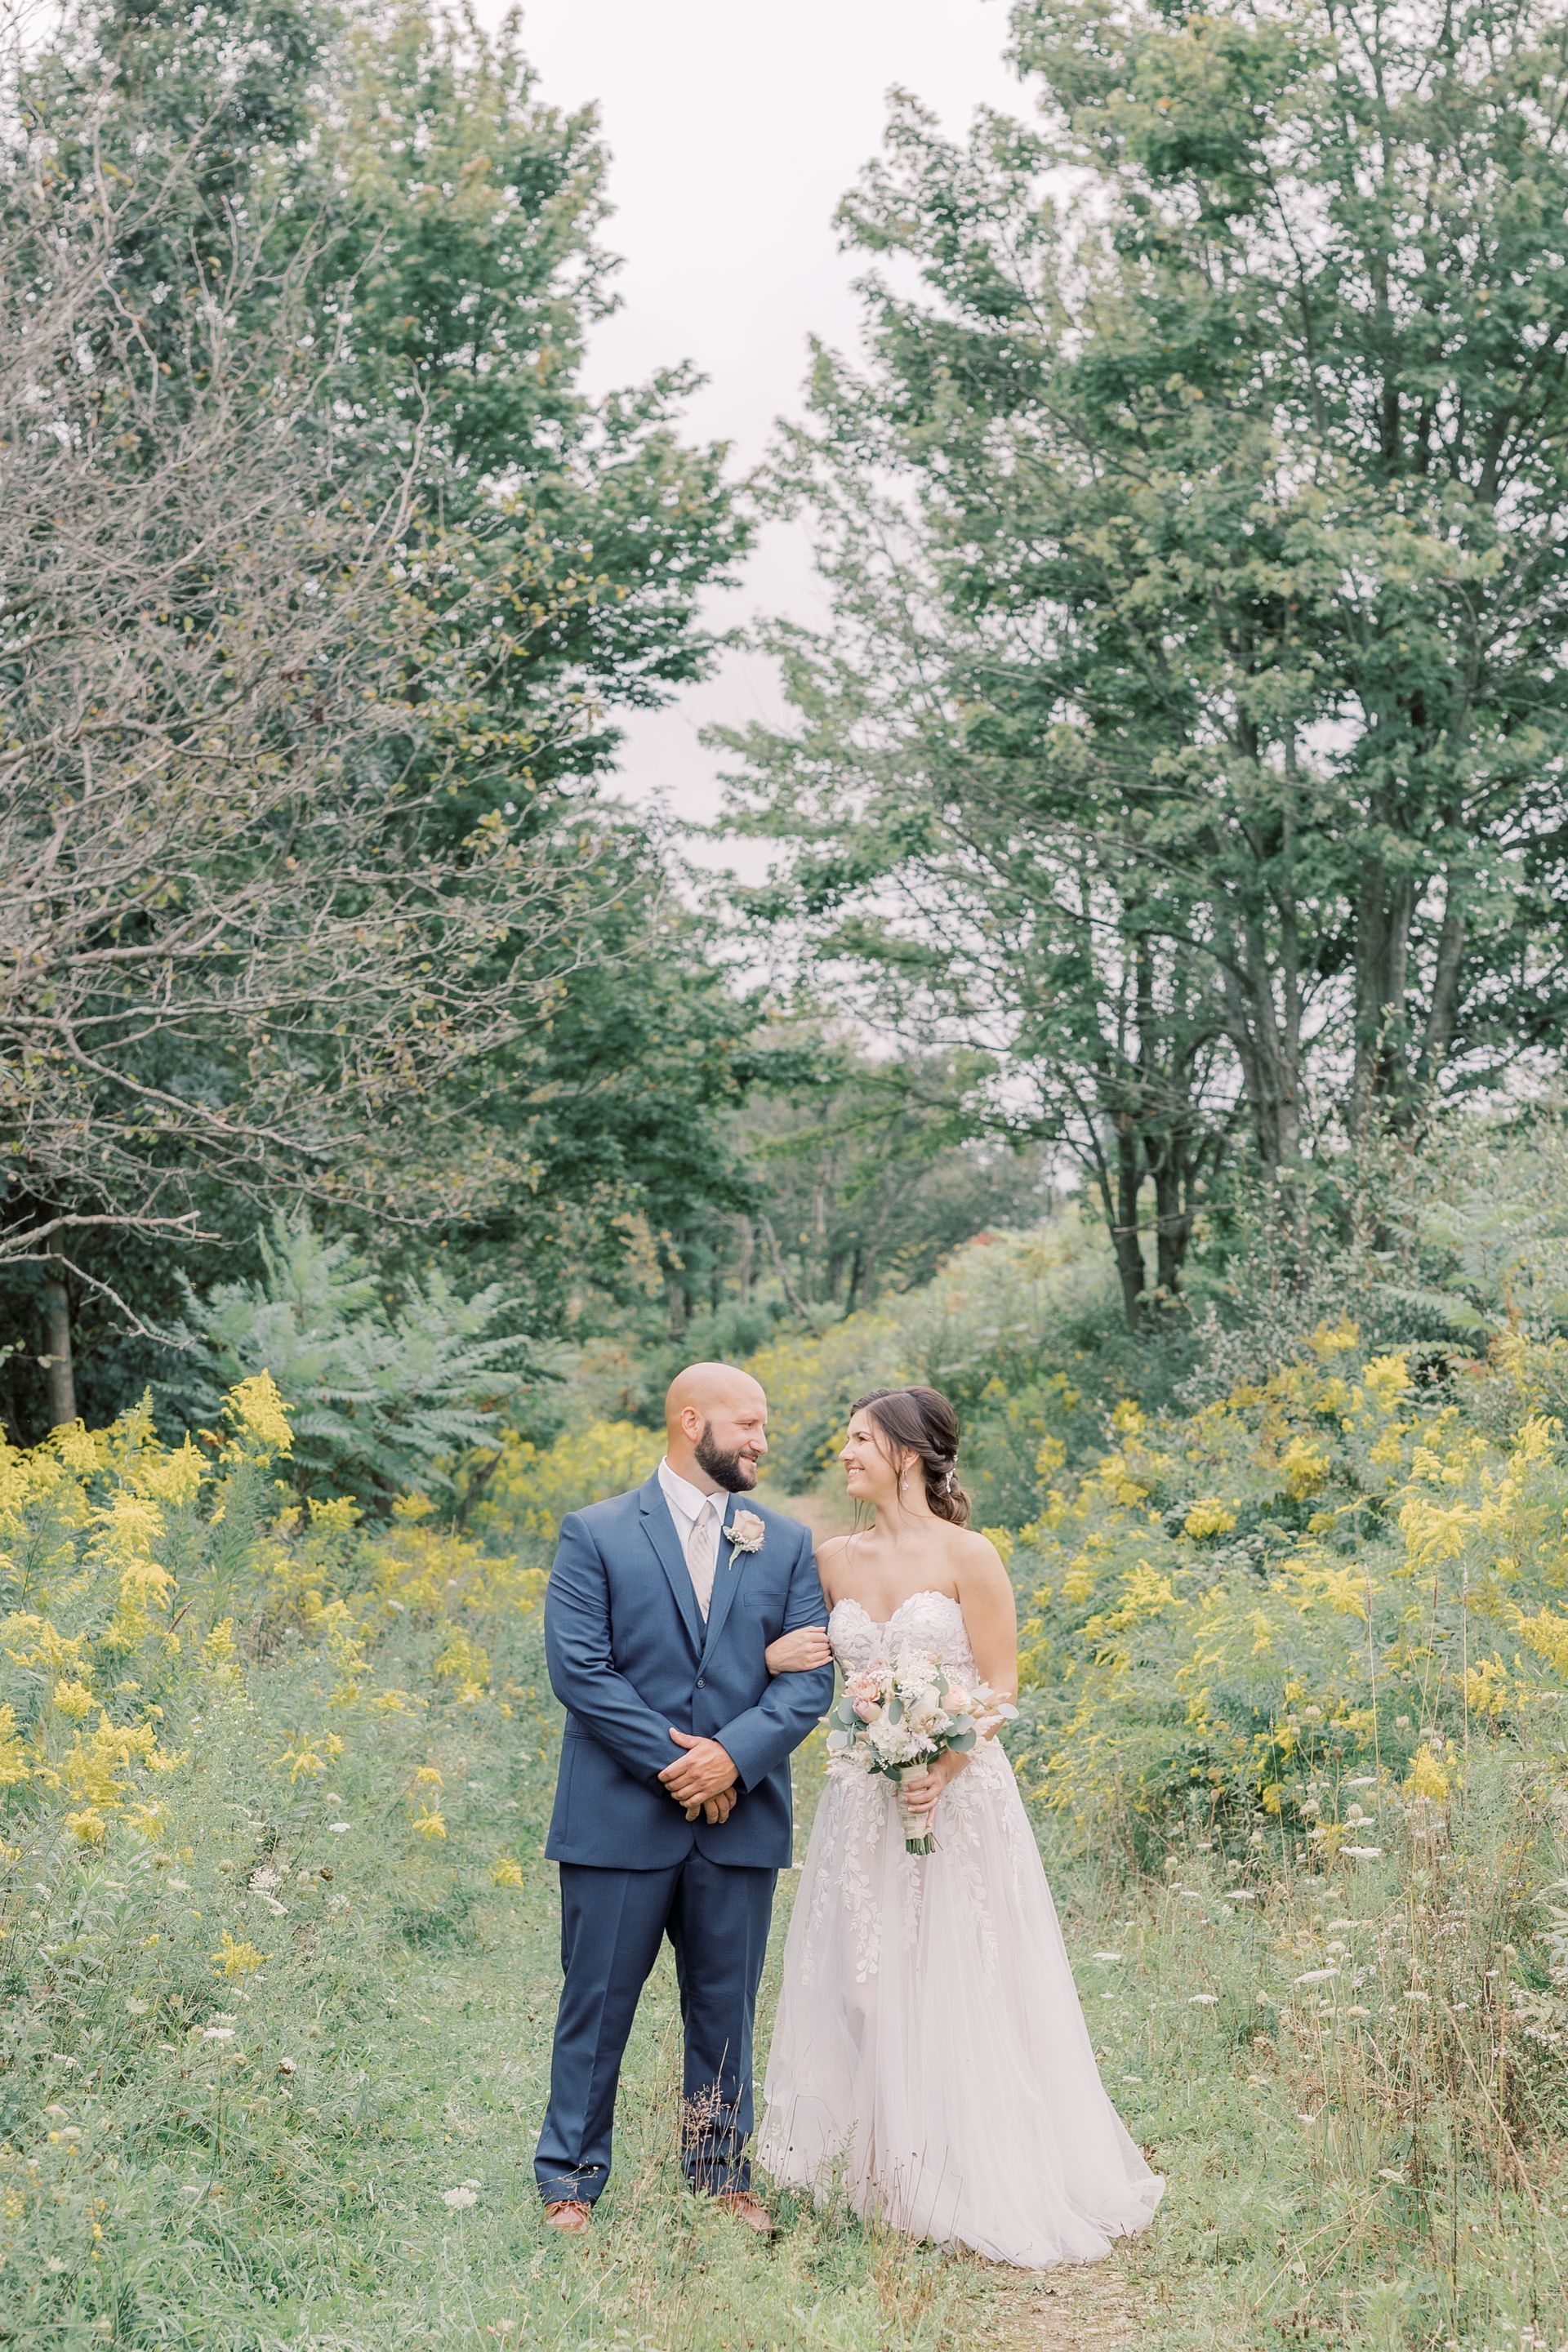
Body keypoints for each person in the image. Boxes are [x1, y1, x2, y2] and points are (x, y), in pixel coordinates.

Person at [758, 1384, 1165, 2269]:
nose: (845, 1453)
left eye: (860, 1440)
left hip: (960, 1798)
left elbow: (1001, 1689)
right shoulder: (830, 1560)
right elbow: (798, 1662)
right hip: (863, 1801)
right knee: (863, 1984)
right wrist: (774, 1657)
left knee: (961, 1974)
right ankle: (882, 2170)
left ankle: (965, 2171)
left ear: (907, 1453)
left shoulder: (968, 1555)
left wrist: (939, 1765)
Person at [533, 1361, 832, 2237]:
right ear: (691, 1421)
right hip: (617, 1817)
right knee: (596, 2006)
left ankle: (721, 2176)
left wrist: (733, 1760)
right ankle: (570, 2182)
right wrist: (686, 1767)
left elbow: (809, 1678)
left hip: (741, 1819)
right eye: (749, 1425)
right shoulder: (595, 1533)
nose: (762, 1442)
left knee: (726, 2008)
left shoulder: (785, 1543)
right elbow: (581, 1671)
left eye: (765, 1427)